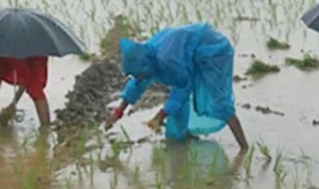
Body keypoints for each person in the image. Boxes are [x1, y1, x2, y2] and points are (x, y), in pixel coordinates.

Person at [105, 23, 248, 150]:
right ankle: (181, 140)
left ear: (146, 66)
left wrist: (160, 115)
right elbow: (137, 83)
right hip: (189, 51)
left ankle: (244, 148)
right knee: (177, 106)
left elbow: (183, 87)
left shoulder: (166, 61)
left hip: (213, 50)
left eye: (140, 74)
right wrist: (118, 112)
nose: (139, 78)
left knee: (219, 102)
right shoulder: (145, 55)